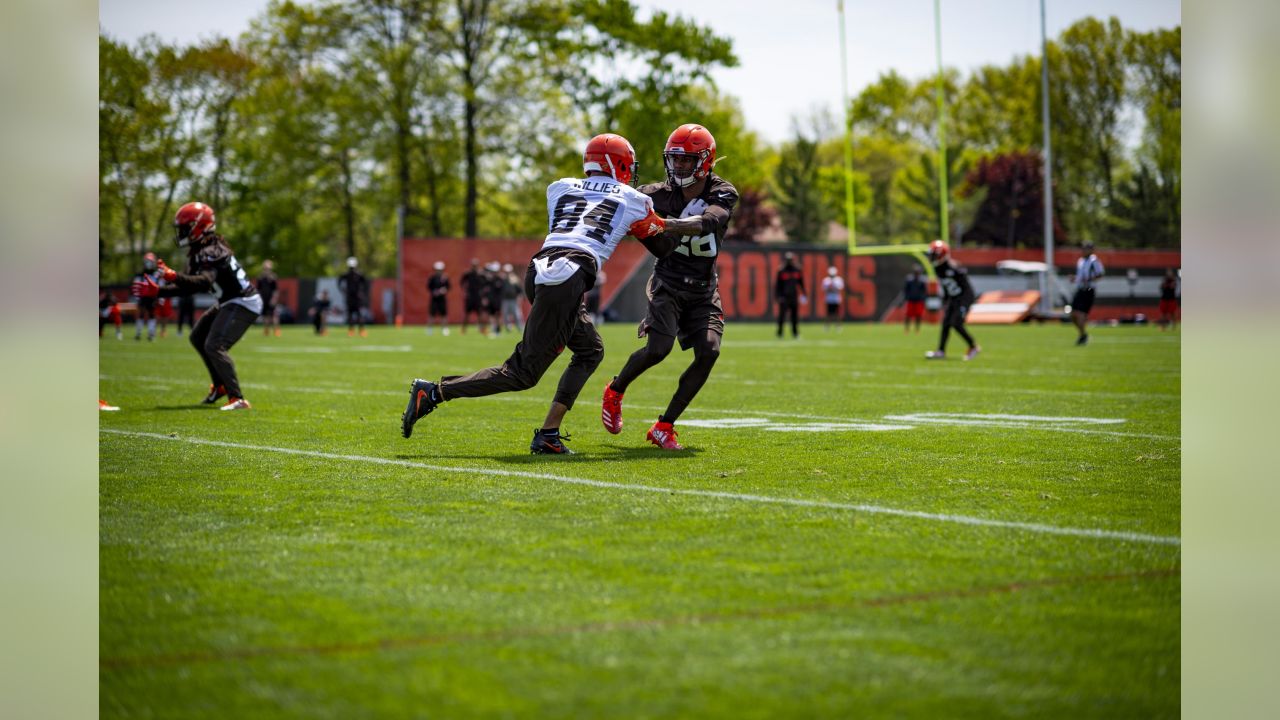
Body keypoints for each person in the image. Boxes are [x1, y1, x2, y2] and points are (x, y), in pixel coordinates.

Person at [401, 132, 669, 454]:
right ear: (622, 165)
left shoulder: (561, 187)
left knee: (590, 350)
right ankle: (433, 392)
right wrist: (689, 223)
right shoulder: (633, 198)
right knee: (522, 373)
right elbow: (661, 242)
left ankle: (548, 435)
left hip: (541, 269)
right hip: (568, 277)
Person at [600, 124, 738, 451]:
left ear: (705, 161)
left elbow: (708, 221)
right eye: (675, 160)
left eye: (687, 161)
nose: (679, 167)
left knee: (709, 351)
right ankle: (615, 389)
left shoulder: (722, 191)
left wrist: (662, 224)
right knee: (658, 350)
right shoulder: (654, 194)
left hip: (704, 288)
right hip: (668, 282)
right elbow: (611, 201)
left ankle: (664, 426)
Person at [134, 201, 261, 410]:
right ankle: (220, 386)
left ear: (198, 227)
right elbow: (189, 288)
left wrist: (173, 276)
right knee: (198, 336)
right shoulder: (200, 250)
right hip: (228, 301)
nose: (182, 232)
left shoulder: (212, 250)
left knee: (215, 345)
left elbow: (204, 281)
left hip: (243, 301)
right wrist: (160, 290)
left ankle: (237, 398)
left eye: (185, 227)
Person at [924, 240, 980, 361]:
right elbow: (946, 286)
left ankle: (973, 346)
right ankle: (940, 351)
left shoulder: (954, 267)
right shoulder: (938, 268)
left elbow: (965, 286)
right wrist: (946, 300)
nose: (931, 258)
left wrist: (964, 302)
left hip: (964, 298)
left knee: (956, 323)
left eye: (934, 255)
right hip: (954, 298)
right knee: (945, 324)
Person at [1070, 242, 1105, 345]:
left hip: (1089, 289)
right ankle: (1083, 334)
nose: (1083, 250)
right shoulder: (1080, 261)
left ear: (1091, 250)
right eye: (1083, 248)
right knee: (1072, 314)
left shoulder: (1094, 261)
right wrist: (1075, 279)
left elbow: (1100, 275)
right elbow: (1080, 277)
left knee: (1080, 313)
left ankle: (1082, 337)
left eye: (1086, 249)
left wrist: (1088, 279)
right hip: (1080, 289)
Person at [131, 252, 164, 341]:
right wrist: (137, 298)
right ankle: (138, 333)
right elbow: (136, 286)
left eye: (150, 262)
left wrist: (161, 299)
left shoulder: (156, 274)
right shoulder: (140, 274)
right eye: (147, 262)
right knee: (141, 314)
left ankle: (151, 334)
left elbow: (161, 286)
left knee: (152, 315)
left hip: (152, 297)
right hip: (142, 297)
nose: (148, 264)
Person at [775, 251, 805, 338]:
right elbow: (778, 285)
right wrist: (778, 296)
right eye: (788, 259)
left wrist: (804, 294)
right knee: (782, 316)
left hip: (793, 296)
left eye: (790, 259)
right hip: (784, 296)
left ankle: (795, 333)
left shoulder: (797, 270)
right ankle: (780, 333)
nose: (789, 261)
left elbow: (801, 283)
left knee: (794, 316)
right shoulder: (781, 270)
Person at [339, 256, 368, 337]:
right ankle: (351, 330)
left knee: (359, 314)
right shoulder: (346, 275)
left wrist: (362, 292)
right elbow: (339, 281)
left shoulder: (359, 275)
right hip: (350, 297)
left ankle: (361, 330)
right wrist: (342, 290)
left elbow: (365, 284)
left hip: (357, 298)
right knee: (350, 314)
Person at [460, 258, 486, 335]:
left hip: (478, 297)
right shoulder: (468, 274)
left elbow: (485, 284)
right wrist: (465, 291)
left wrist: (483, 293)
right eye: (473, 265)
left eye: (476, 265)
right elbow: (462, 282)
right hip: (470, 297)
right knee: (467, 314)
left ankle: (482, 330)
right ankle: (463, 330)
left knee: (480, 314)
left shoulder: (481, 274)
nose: (474, 266)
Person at [426, 261, 451, 335]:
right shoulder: (432, 277)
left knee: (444, 314)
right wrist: (434, 292)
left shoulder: (445, 277)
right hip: (434, 299)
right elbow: (429, 287)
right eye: (437, 269)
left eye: (440, 269)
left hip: (442, 299)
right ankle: (429, 329)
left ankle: (445, 329)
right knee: (431, 314)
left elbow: (448, 287)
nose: (439, 271)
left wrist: (443, 290)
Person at [257, 259, 280, 337]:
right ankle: (266, 330)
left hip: (271, 299)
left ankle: (276, 331)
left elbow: (276, 290)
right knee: (266, 316)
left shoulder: (273, 278)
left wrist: (274, 299)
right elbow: (258, 289)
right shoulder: (260, 278)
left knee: (274, 315)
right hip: (264, 299)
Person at [499, 262, 524, 332]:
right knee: (505, 315)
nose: (507, 273)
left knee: (517, 315)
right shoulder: (502, 279)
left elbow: (520, 290)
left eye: (508, 271)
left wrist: (519, 298)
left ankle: (520, 328)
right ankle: (508, 328)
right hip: (505, 299)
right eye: (506, 271)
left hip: (513, 299)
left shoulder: (515, 279)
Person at [903, 265, 927, 333]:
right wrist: (907, 298)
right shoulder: (909, 280)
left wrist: (923, 299)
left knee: (918, 315)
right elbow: (906, 289)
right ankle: (907, 329)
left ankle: (917, 329)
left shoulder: (922, 281)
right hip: (911, 300)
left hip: (919, 300)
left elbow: (924, 291)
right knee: (908, 315)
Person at [821, 266, 845, 331]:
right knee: (829, 314)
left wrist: (833, 286)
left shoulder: (838, 279)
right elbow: (823, 289)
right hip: (829, 299)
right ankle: (827, 326)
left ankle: (838, 326)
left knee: (837, 314)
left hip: (836, 299)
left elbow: (840, 288)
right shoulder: (826, 280)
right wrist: (829, 287)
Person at [485, 261, 505, 336]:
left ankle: (498, 330)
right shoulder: (489, 280)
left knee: (497, 315)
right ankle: (493, 329)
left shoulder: (500, 279)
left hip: (497, 300)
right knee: (491, 315)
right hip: (491, 300)